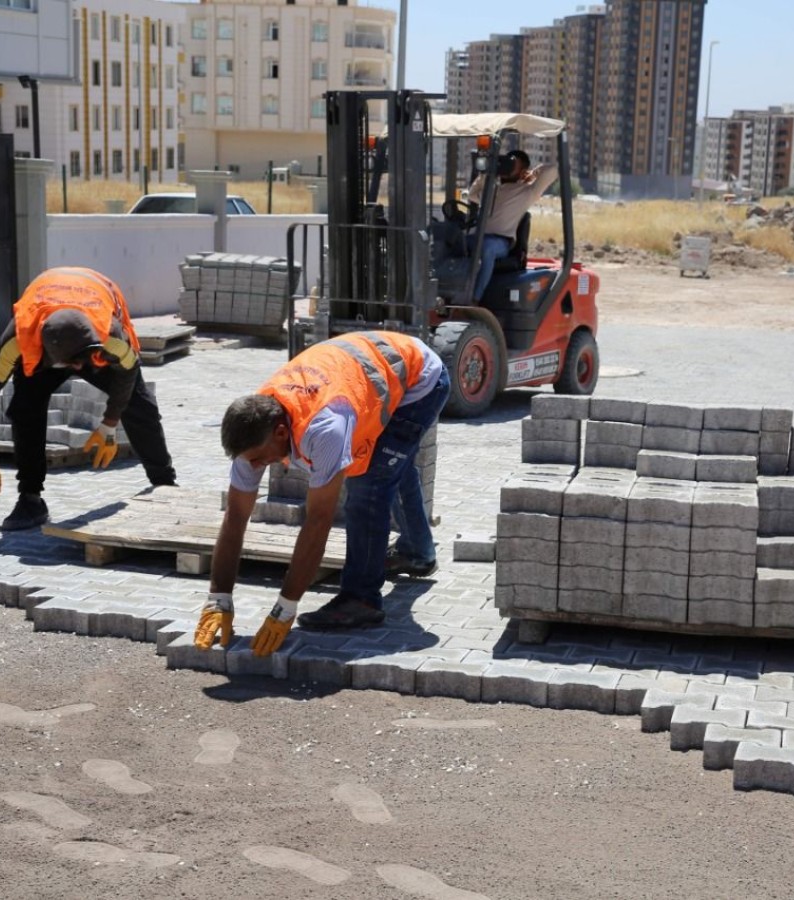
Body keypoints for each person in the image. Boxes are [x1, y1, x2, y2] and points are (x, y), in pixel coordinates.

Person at [193, 330, 450, 657]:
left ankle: (361, 599)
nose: (256, 466)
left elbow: (318, 521)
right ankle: (418, 552)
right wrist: (219, 597)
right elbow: (236, 518)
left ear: (281, 431)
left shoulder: (324, 427)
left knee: (369, 483)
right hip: (364, 372)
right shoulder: (253, 430)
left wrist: (286, 607)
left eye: (259, 458)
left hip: (420, 380)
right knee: (390, 463)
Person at [0, 267, 177, 531]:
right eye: (72, 363)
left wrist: (109, 424)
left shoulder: (109, 336)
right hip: (46, 332)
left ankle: (165, 485)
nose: (79, 370)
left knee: (139, 404)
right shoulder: (19, 340)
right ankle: (30, 499)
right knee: (24, 408)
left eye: (83, 362)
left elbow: (128, 371)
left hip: (91, 309)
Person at [466, 150, 558, 301]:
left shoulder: (527, 192)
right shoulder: (492, 189)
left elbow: (552, 170)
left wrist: (533, 173)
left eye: (512, 163)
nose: (507, 166)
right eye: (506, 162)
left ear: (522, 171)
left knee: (487, 248)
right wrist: (486, 173)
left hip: (501, 242)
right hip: (479, 237)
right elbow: (472, 194)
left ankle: (475, 299)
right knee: (449, 240)